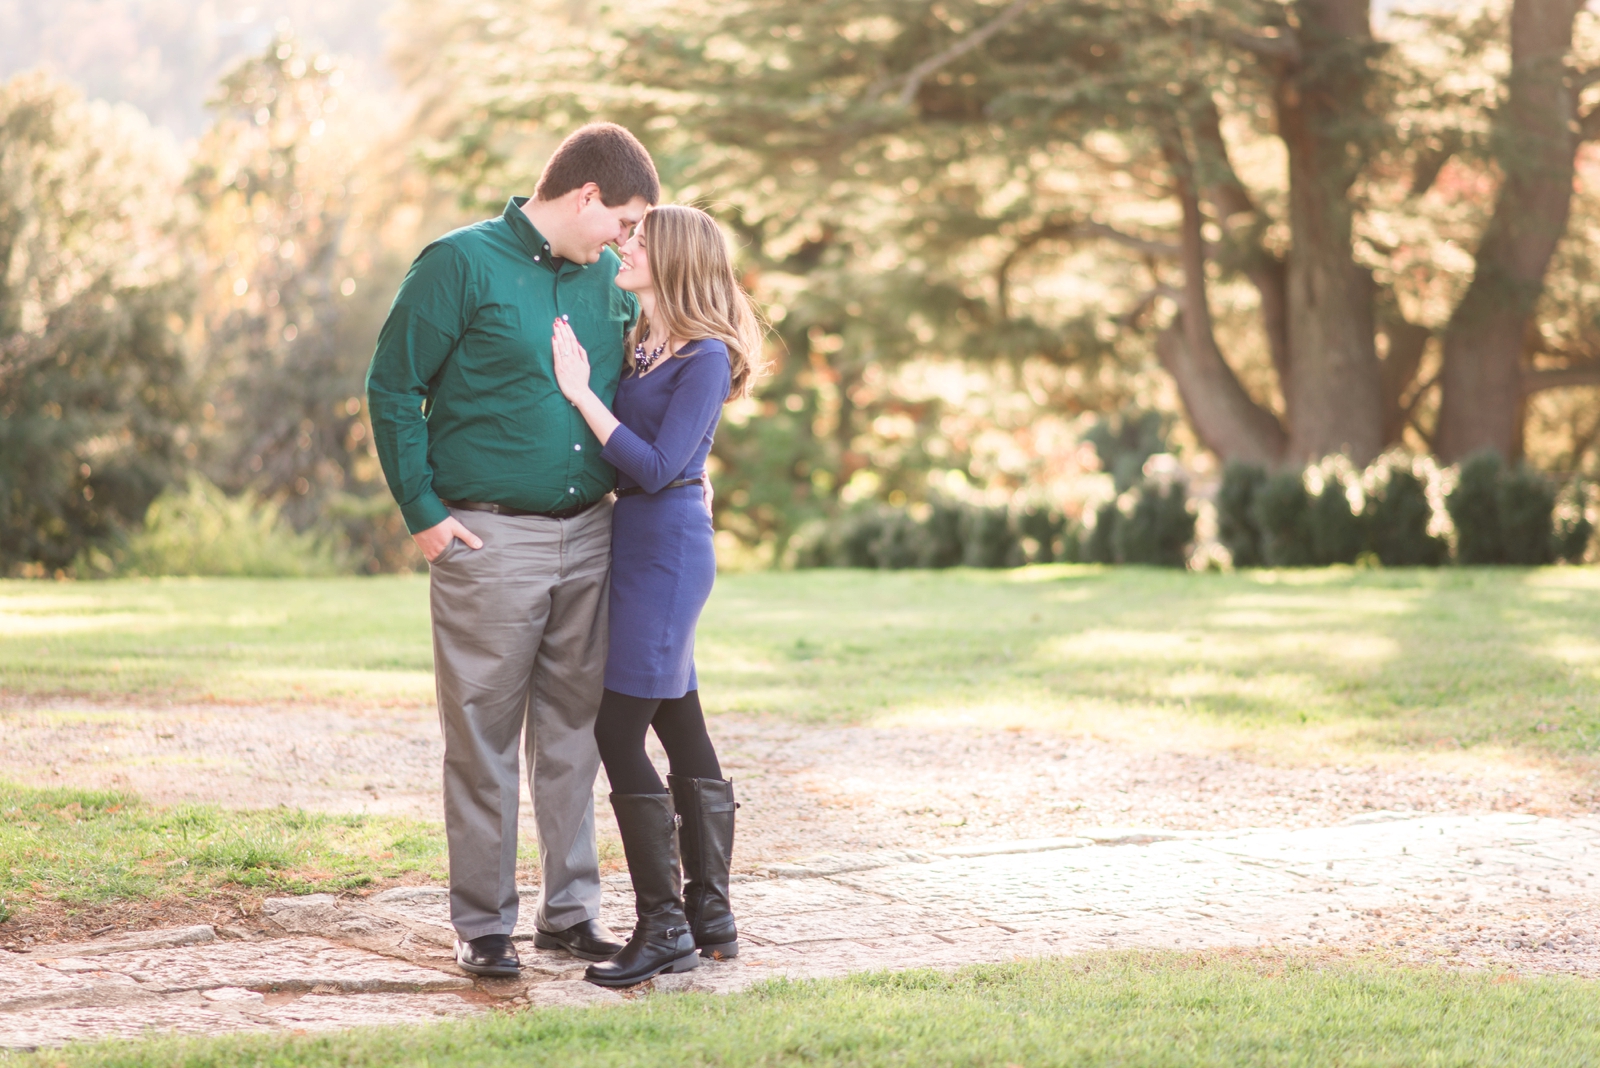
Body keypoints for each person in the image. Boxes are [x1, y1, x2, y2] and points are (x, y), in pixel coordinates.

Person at [366, 123, 659, 978]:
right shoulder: (459, 263)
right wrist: (423, 512)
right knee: (483, 739)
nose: (631, 240)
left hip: (592, 534)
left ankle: (570, 913)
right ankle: (485, 925)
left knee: (573, 732)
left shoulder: (612, 280)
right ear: (586, 198)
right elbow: (393, 386)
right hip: (487, 539)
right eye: (626, 221)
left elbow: (643, 387)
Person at [549, 204, 763, 987]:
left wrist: (581, 393)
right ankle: (712, 916)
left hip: (667, 552)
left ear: (673, 258)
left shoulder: (704, 357)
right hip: (635, 544)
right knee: (679, 716)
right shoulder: (644, 345)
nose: (624, 246)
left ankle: (663, 924)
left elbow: (660, 465)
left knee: (616, 727)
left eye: (638, 241)